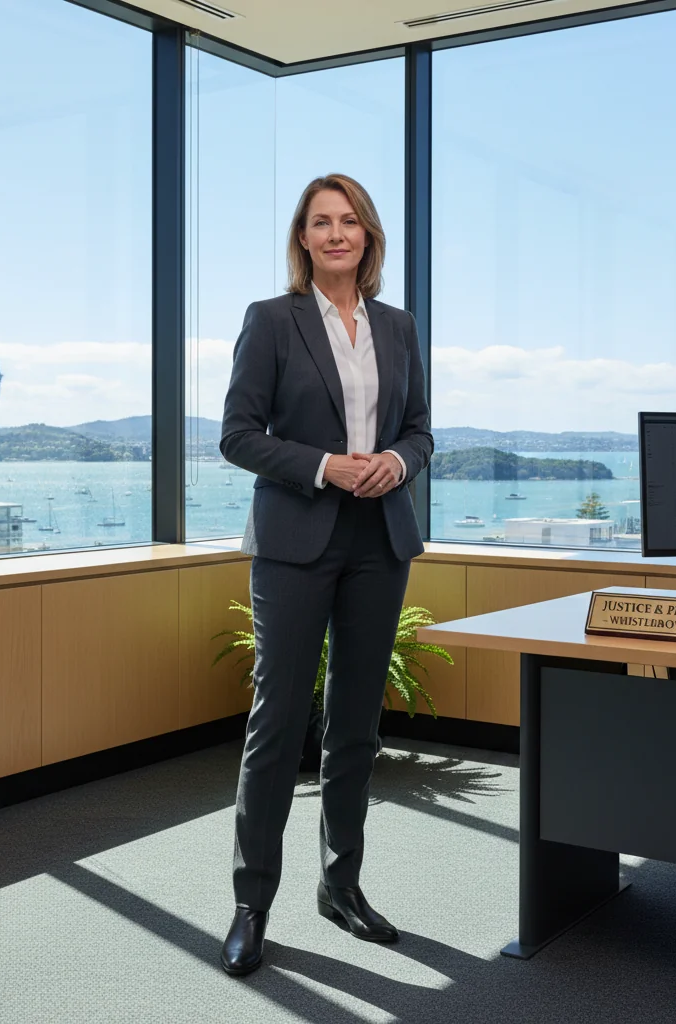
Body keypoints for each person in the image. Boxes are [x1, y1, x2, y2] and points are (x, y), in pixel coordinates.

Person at [218, 173, 433, 975]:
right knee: (277, 723)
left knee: (355, 723)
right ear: (303, 238)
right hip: (294, 541)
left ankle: (340, 886)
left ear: (368, 235)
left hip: (380, 539)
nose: (336, 233)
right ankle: (251, 903)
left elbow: (420, 430)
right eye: (320, 222)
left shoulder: (399, 326)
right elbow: (238, 435)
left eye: (349, 221)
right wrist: (325, 466)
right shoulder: (271, 320)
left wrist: (394, 462)